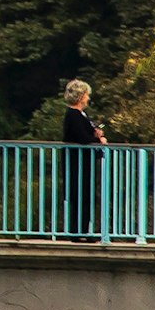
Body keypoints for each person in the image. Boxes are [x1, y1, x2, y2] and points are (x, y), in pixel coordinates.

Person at [59, 78, 107, 238]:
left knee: (85, 197)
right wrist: (98, 140)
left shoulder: (79, 114)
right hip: (78, 164)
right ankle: (78, 232)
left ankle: (82, 231)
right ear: (80, 96)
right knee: (81, 197)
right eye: (86, 95)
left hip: (83, 164)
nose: (88, 98)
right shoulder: (73, 115)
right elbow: (81, 138)